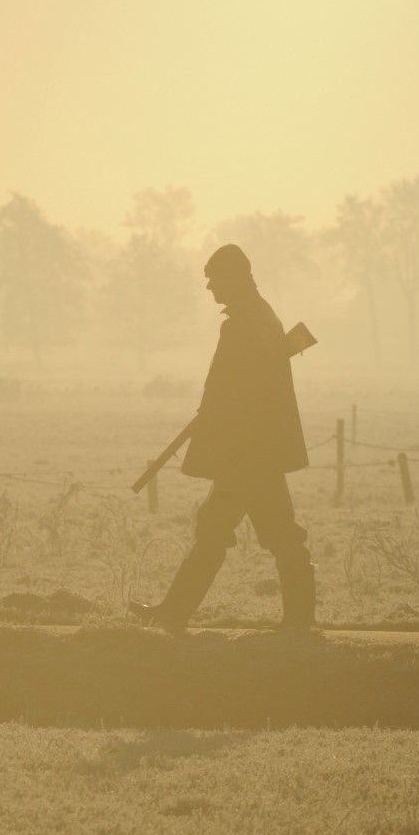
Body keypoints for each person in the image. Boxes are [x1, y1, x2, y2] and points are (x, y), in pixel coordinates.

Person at [130, 244, 315, 632]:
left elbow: (236, 394)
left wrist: (219, 432)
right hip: (257, 453)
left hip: (245, 455)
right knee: (269, 535)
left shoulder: (243, 323)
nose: (211, 287)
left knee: (222, 531)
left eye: (215, 279)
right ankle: (298, 620)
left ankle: (173, 615)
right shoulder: (264, 317)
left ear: (236, 277)